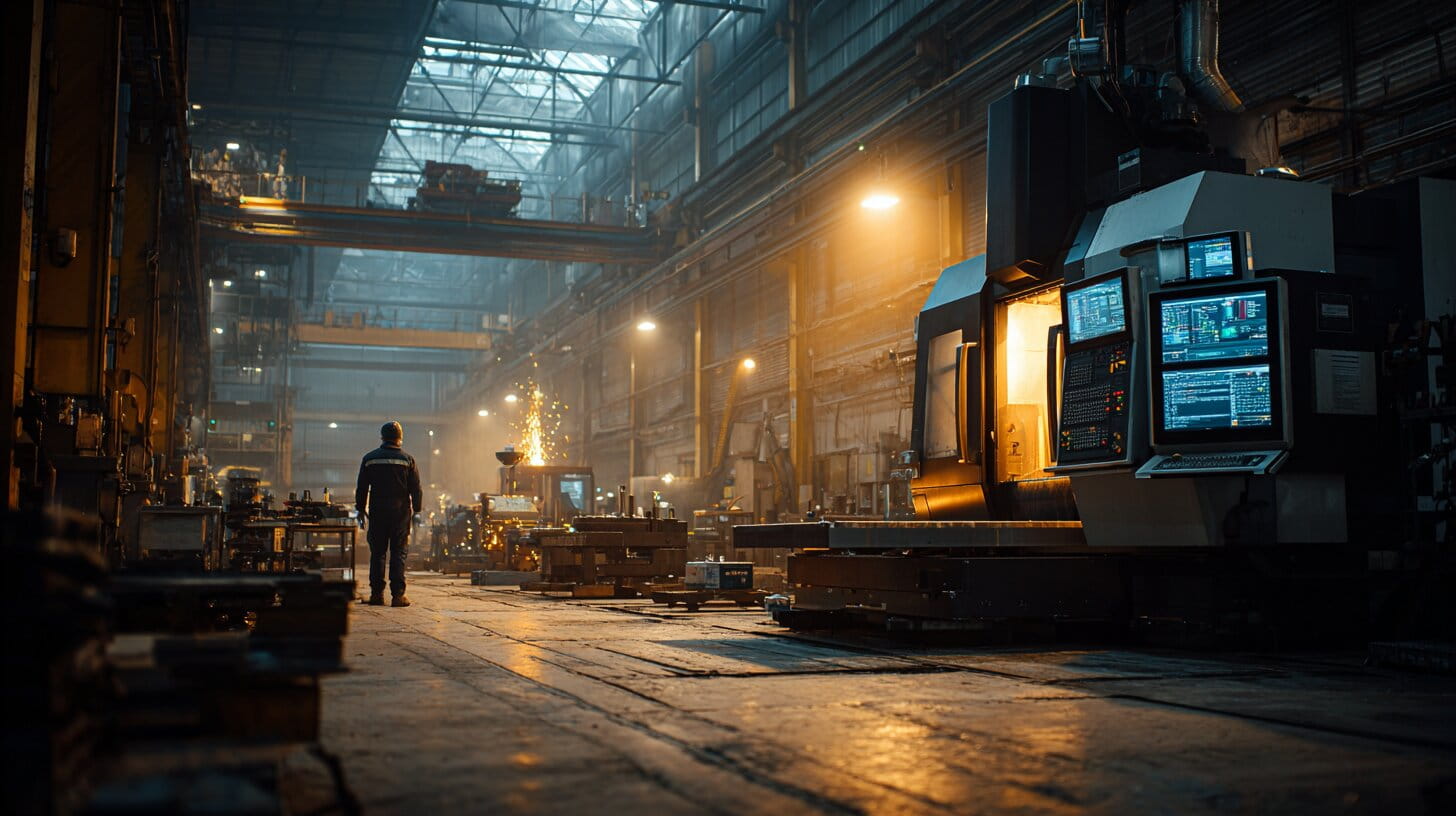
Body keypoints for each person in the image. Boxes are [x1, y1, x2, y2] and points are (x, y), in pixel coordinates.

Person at [355, 421, 423, 607]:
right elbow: (416, 489)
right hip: (400, 514)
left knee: (377, 553)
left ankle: (377, 595)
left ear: (382, 437)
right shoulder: (408, 460)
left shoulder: (370, 459)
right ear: (400, 438)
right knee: (398, 553)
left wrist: (360, 509)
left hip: (377, 513)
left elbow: (362, 487)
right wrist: (417, 510)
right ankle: (398, 596)